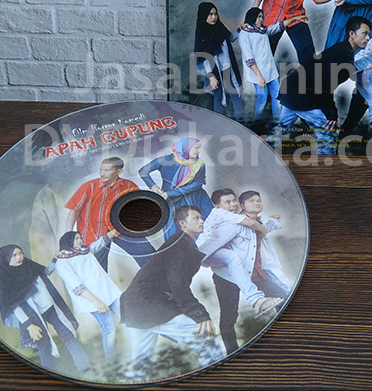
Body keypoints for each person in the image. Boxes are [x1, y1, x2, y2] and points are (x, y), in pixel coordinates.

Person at [119, 206, 224, 382]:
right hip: (148, 304)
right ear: (183, 223)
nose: (202, 221)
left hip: (135, 306)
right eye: (196, 218)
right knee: (205, 337)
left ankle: (132, 383)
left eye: (201, 217)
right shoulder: (179, 245)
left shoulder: (183, 243)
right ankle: (220, 380)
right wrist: (200, 315)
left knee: (140, 361)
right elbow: (178, 284)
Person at [198, 190, 290, 354]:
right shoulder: (231, 225)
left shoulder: (250, 221)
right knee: (229, 317)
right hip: (227, 277)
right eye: (228, 202)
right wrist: (196, 260)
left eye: (233, 201)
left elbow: (261, 229)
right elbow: (207, 248)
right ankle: (231, 352)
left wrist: (272, 222)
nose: (232, 205)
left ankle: (288, 337)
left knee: (283, 297)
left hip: (254, 273)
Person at [276, 16, 371, 154]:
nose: (367, 38)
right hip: (300, 95)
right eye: (364, 33)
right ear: (352, 34)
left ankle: (263, 156)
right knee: (328, 137)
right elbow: (324, 83)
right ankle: (325, 166)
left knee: (280, 133)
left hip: (290, 91)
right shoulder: (342, 53)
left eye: (368, 34)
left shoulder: (344, 51)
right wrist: (331, 114)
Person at [0, 244, 90, 373]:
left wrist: (55, 259)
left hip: (50, 308)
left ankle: (87, 370)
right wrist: (29, 326)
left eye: (20, 253)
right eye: (14, 255)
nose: (19, 257)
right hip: (32, 317)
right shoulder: (5, 280)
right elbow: (14, 306)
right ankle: (51, 378)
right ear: (5, 260)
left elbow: (46, 271)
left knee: (69, 336)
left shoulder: (29, 265)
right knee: (44, 348)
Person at [65, 157, 154, 272]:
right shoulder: (88, 186)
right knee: (96, 268)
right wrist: (68, 237)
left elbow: (140, 209)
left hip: (120, 228)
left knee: (147, 254)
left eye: (107, 170)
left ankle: (160, 281)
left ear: (119, 171)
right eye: (101, 170)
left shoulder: (129, 186)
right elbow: (73, 212)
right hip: (93, 232)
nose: (102, 174)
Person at [54, 230, 122, 361]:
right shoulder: (62, 262)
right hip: (92, 300)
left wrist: (115, 229)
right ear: (68, 242)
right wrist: (96, 301)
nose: (80, 240)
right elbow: (77, 286)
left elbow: (101, 242)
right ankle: (110, 361)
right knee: (109, 329)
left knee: (126, 319)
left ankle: (138, 349)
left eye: (80, 238)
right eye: (76, 239)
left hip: (108, 292)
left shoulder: (85, 251)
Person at [238, 7, 308, 122]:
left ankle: (277, 123)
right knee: (262, 98)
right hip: (257, 74)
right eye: (259, 17)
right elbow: (248, 58)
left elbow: (279, 26)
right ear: (252, 17)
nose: (261, 19)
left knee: (277, 97)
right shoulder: (244, 34)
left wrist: (294, 18)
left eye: (262, 17)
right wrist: (259, 77)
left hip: (270, 72)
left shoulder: (264, 30)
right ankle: (255, 124)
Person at [138, 137, 213, 240]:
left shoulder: (199, 163)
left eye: (199, 148)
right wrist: (153, 186)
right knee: (173, 231)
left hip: (194, 198)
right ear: (186, 148)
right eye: (196, 148)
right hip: (171, 201)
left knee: (203, 228)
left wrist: (170, 194)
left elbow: (197, 184)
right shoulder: (165, 160)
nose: (199, 151)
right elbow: (143, 171)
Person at [193, 2, 243, 121]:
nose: (214, 17)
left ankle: (241, 121)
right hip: (212, 67)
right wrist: (211, 77)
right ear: (204, 15)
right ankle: (219, 122)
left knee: (234, 92)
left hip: (226, 64)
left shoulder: (219, 27)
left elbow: (230, 38)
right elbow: (204, 58)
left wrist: (240, 29)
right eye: (210, 14)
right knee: (218, 94)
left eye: (215, 14)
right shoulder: (201, 33)